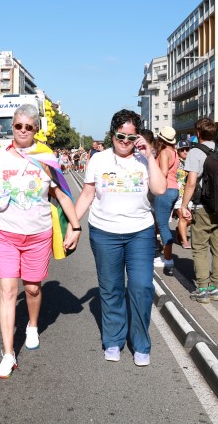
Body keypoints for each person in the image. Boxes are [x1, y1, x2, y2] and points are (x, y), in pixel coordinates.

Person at [0, 104, 80, 378]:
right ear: (12, 128)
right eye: (19, 126)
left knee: (31, 289)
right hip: (3, 233)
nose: (23, 131)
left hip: (38, 234)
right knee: (7, 290)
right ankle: (8, 354)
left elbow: (62, 194)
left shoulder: (45, 157)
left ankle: (31, 324)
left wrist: (75, 226)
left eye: (29, 127)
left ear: (36, 130)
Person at [74, 109, 165, 366]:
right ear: (112, 133)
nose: (125, 142)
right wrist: (73, 225)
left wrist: (150, 155)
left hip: (140, 232)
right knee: (111, 288)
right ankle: (113, 340)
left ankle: (140, 343)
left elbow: (158, 189)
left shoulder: (144, 160)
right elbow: (86, 196)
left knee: (141, 287)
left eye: (131, 137)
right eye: (120, 136)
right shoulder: (99, 160)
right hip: (104, 232)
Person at [179, 118, 218, 304]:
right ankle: (215, 287)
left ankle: (202, 288)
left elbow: (192, 182)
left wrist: (184, 205)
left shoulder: (195, 152)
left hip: (203, 206)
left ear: (198, 133)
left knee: (200, 247)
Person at [152, 126, 179, 276]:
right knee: (161, 223)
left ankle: (168, 259)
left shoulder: (163, 152)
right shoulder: (174, 152)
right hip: (174, 189)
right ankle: (163, 254)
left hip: (165, 189)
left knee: (162, 225)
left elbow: (163, 173)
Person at [173, 140, 192, 249]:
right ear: (178, 151)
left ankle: (179, 230)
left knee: (189, 219)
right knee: (183, 216)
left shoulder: (191, 161)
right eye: (182, 150)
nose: (185, 152)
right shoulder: (175, 161)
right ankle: (185, 241)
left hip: (189, 194)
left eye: (187, 149)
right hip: (178, 194)